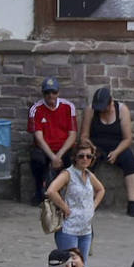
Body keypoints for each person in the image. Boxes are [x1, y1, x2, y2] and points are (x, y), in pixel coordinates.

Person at [80, 86, 134, 217]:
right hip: (96, 145)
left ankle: (132, 203)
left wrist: (116, 152)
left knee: (130, 161)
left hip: (117, 145)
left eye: (104, 108)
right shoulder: (90, 110)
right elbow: (84, 136)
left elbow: (127, 138)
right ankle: (86, 201)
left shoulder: (122, 110)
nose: (101, 111)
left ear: (110, 103)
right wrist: (91, 146)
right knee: (86, 161)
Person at [44, 139, 104, 260]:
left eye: (89, 156)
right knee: (69, 266)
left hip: (85, 230)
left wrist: (93, 206)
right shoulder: (67, 174)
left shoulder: (88, 175)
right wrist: (64, 207)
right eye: (81, 156)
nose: (85, 159)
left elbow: (101, 189)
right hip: (69, 229)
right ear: (75, 157)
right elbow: (51, 191)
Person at [28, 77, 77, 205]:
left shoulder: (68, 107)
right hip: (45, 148)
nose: (51, 95)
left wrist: (58, 156)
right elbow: (38, 137)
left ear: (58, 93)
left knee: (74, 160)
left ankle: (71, 194)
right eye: (47, 93)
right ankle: (39, 191)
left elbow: (72, 135)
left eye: (53, 92)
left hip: (63, 147)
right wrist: (52, 157)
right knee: (37, 160)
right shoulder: (36, 109)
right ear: (43, 93)